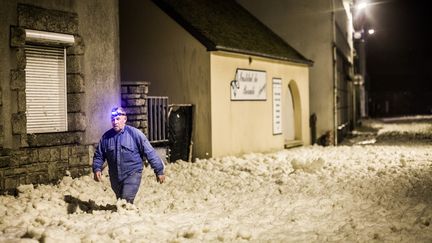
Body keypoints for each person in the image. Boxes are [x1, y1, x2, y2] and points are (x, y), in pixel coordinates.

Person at [92, 107, 165, 203]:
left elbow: (150, 152)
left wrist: (159, 171)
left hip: (132, 174)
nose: (115, 122)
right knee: (120, 201)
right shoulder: (106, 137)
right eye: (113, 119)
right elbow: (99, 155)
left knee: (126, 201)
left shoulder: (135, 134)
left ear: (125, 119)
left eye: (118, 119)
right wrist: (97, 169)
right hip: (115, 177)